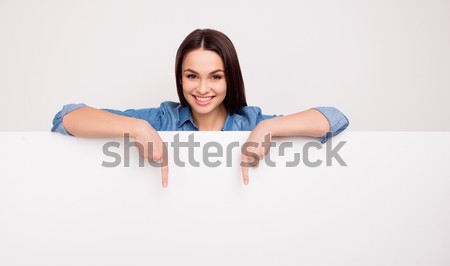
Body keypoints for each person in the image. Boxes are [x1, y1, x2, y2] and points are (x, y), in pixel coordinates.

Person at [51, 28, 349, 188]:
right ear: (180, 78)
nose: (203, 89)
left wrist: (267, 128)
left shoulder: (250, 122)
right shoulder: (162, 120)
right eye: (192, 76)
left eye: (215, 77)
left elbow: (334, 119)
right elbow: (67, 118)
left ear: (230, 78)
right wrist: (136, 127)